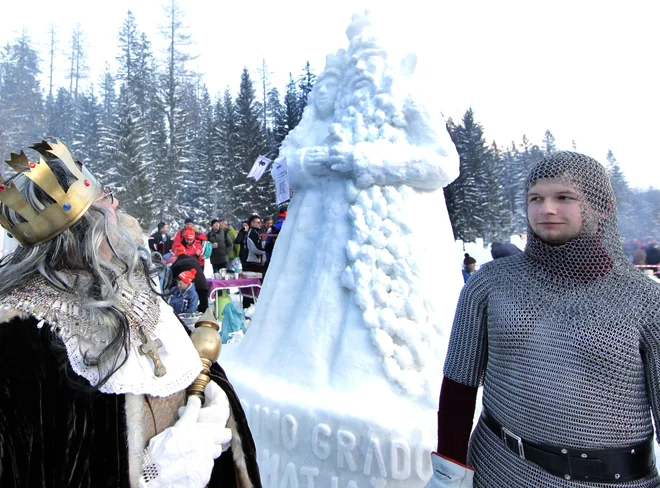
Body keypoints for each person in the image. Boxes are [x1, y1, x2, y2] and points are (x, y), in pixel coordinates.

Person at [0, 138, 260, 487]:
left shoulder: (130, 284)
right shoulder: (19, 336)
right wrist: (154, 476)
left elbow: (199, 371)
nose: (117, 203)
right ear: (83, 227)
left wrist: (213, 409)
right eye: (106, 197)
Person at [429, 151, 660, 487]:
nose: (546, 209)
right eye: (535, 198)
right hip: (502, 470)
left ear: (602, 208)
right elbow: (458, 387)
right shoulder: (490, 284)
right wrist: (448, 473)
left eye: (564, 197)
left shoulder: (645, 300)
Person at [170, 242, 209, 312]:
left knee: (191, 306)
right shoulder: (193, 260)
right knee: (204, 309)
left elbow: (173, 282)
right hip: (202, 284)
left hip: (191, 285)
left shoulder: (175, 265)